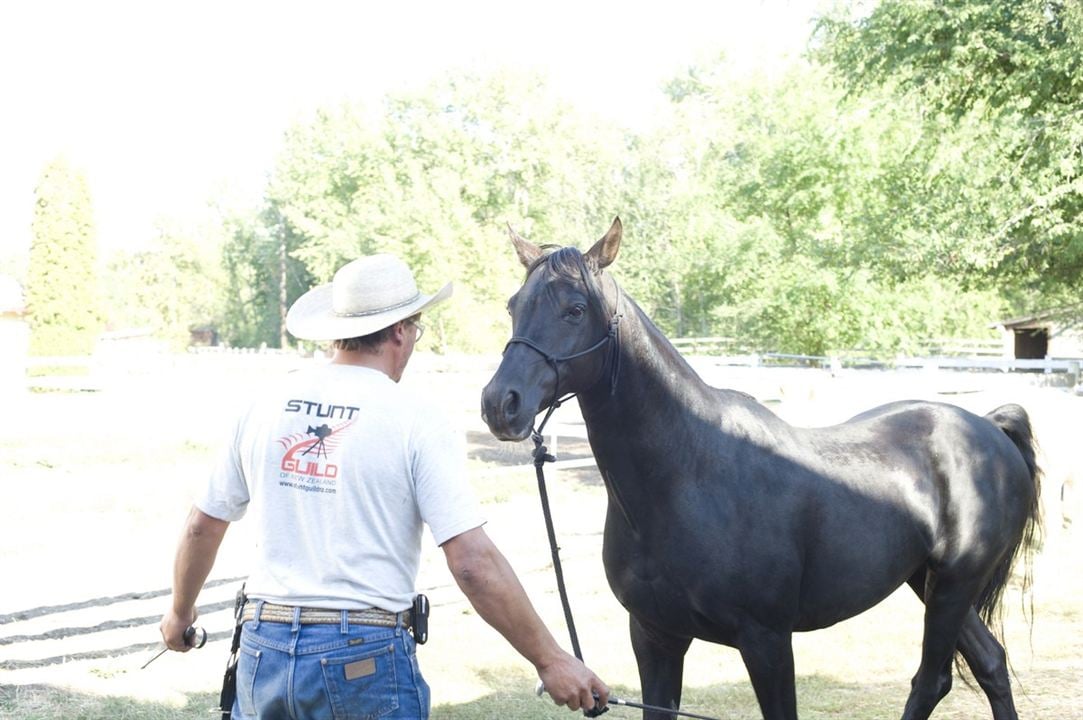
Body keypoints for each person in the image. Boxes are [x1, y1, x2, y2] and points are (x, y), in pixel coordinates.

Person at [159, 253, 609, 718]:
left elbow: (202, 525)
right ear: (400, 331)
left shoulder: (264, 404)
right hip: (363, 655)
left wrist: (180, 613)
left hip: (262, 645)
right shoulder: (414, 418)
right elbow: (472, 562)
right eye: (415, 330)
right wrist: (550, 659)